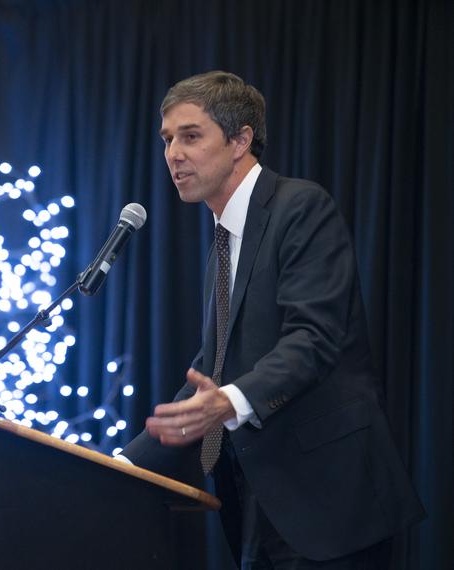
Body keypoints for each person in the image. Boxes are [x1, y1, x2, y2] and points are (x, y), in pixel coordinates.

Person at [120, 71, 424, 569]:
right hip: (257, 502)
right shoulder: (222, 237)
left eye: (191, 136)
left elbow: (314, 337)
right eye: (167, 139)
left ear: (240, 140)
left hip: (329, 502)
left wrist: (228, 401)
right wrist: (125, 464)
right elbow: (213, 364)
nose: (173, 153)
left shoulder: (300, 207)